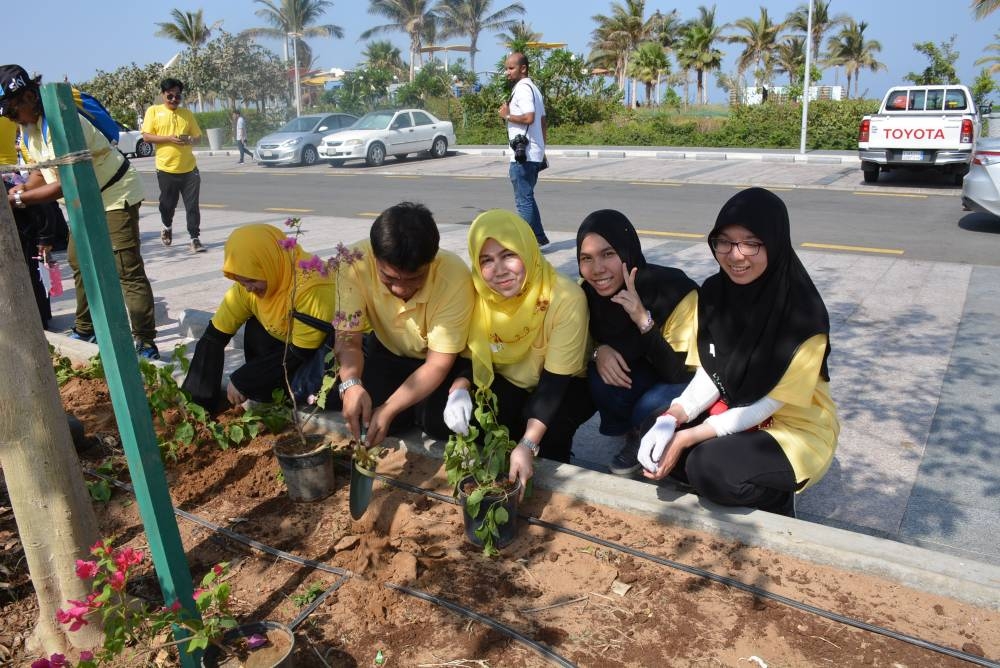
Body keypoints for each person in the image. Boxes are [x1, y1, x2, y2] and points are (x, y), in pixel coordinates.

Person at [638, 188, 839, 517]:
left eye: (751, 242)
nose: (735, 255)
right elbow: (712, 369)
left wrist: (690, 437)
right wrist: (673, 417)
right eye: (725, 241)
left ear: (774, 243)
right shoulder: (717, 292)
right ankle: (730, 477)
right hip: (737, 404)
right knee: (654, 429)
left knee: (709, 466)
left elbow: (769, 403)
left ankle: (775, 501)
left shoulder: (804, 317)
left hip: (792, 426)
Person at [1, 64, 159, 359]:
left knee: (126, 268)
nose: (10, 118)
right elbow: (40, 173)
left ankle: (145, 341)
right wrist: (20, 190)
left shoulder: (62, 124)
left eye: (10, 110)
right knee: (80, 261)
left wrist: (20, 201)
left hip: (114, 194)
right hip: (84, 201)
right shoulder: (29, 129)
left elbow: (64, 184)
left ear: (28, 98)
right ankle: (87, 329)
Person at [443, 210, 592, 494]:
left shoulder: (564, 297)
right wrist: (459, 389)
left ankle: (553, 485)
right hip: (510, 377)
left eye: (509, 255)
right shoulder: (479, 293)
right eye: (486, 260)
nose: (499, 270)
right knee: (471, 421)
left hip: (564, 384)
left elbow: (554, 384)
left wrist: (528, 444)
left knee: (549, 436)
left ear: (527, 248)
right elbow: (469, 353)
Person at [335, 202, 475, 447]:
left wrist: (390, 408)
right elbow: (348, 339)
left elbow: (438, 363)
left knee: (439, 424)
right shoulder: (351, 263)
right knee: (363, 410)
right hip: (390, 351)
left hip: (441, 361)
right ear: (374, 256)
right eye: (388, 278)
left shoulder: (453, 276)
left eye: (415, 279)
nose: (400, 289)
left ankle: (419, 409)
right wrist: (351, 383)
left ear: (431, 261)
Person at [576, 209, 698, 476]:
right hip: (643, 369)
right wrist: (598, 351)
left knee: (648, 405)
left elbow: (678, 371)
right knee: (599, 376)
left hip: (685, 376)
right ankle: (634, 432)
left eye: (608, 254)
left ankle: (651, 431)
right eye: (586, 258)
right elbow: (578, 345)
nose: (597, 270)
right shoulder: (586, 293)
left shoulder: (672, 290)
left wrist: (643, 319)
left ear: (627, 250)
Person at [181, 224, 335, 411]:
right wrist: (196, 401)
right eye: (240, 280)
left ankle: (291, 396)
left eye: (252, 280)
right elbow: (214, 336)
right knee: (255, 327)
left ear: (269, 263)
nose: (248, 288)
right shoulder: (247, 287)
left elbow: (301, 351)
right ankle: (270, 396)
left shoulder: (312, 288)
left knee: (320, 394)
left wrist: (244, 379)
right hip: (290, 349)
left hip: (329, 353)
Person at [141, 77, 205, 253]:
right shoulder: (153, 111)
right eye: (170, 96)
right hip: (166, 168)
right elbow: (146, 136)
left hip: (189, 169)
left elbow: (198, 137)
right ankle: (167, 225)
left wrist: (192, 139)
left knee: (192, 206)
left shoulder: (187, 114)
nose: (174, 100)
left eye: (178, 96)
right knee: (167, 205)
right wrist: (169, 138)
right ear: (163, 95)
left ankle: (195, 238)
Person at [1, 115, 50, 329]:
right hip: (14, 179)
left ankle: (30, 317)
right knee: (28, 251)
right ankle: (40, 315)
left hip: (8, 185)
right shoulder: (8, 116)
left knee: (19, 252)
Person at [499, 52, 548, 246]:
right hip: (533, 153)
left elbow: (530, 118)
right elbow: (543, 121)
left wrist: (507, 115)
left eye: (511, 68)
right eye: (506, 68)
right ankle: (538, 237)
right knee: (527, 196)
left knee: (523, 201)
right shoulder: (534, 89)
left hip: (523, 156)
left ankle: (523, 244)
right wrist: (541, 149)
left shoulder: (522, 89)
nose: (506, 72)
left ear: (523, 68)